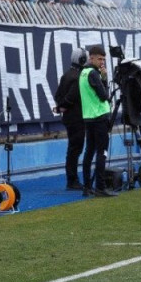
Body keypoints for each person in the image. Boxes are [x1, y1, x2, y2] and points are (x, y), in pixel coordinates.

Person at [61, 45, 117, 197]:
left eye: (104, 60)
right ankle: (100, 187)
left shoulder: (83, 73)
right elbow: (104, 96)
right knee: (102, 152)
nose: (102, 62)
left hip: (88, 118)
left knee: (89, 152)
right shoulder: (93, 73)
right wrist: (104, 79)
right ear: (91, 57)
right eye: (100, 59)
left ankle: (87, 186)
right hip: (99, 116)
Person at [54, 48, 87, 191]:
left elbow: (58, 96)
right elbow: (71, 97)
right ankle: (72, 180)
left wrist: (61, 106)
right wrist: (64, 105)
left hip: (69, 118)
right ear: (82, 60)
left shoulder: (66, 75)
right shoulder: (79, 77)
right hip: (76, 118)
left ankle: (72, 179)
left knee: (73, 149)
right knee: (75, 149)